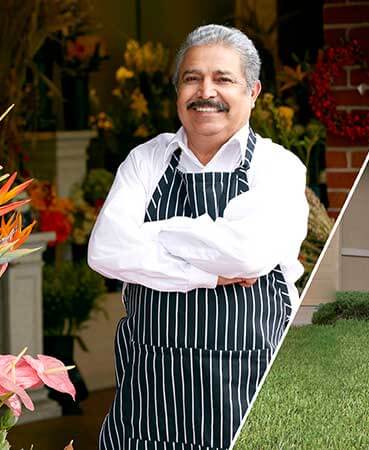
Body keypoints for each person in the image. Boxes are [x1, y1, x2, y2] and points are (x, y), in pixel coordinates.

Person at [88, 24, 308, 450]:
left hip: (248, 394)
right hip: (150, 403)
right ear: (177, 91)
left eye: (223, 79)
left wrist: (154, 232)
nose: (205, 91)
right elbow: (105, 250)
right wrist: (208, 273)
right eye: (192, 78)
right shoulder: (145, 160)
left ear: (254, 91)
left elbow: (245, 255)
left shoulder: (278, 166)